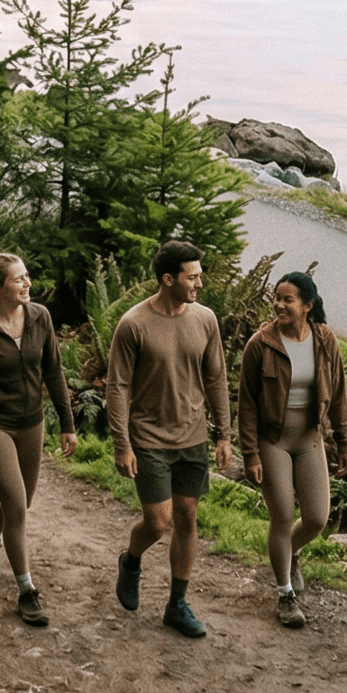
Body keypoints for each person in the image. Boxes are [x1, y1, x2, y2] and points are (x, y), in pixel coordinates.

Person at [106, 238, 233, 638]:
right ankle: (131, 559)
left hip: (192, 436)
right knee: (158, 522)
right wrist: (122, 444)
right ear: (167, 279)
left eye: (199, 275)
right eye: (192, 277)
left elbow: (216, 378)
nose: (200, 284)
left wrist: (223, 434)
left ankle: (177, 604)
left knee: (187, 517)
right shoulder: (134, 324)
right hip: (149, 438)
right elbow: (117, 387)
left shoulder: (205, 319)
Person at [0, 251, 77, 627]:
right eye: (19, 279)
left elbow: (53, 371)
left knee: (22, 501)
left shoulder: (40, 317)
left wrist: (67, 423)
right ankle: (27, 591)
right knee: (16, 505)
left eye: (27, 276)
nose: (27, 283)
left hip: (32, 422)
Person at [239, 272, 347, 630]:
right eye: (277, 297)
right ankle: (285, 594)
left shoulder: (325, 339)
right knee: (283, 516)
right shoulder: (260, 344)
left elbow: (338, 391)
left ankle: (292, 553)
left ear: (307, 306)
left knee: (317, 518)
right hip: (273, 440)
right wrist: (250, 454)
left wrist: (343, 440)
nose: (279, 304)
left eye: (288, 299)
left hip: (309, 438)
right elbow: (247, 404)